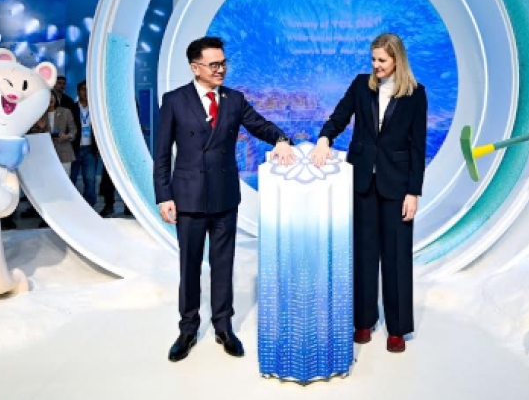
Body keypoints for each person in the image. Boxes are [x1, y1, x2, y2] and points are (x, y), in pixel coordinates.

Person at [154, 36, 295, 362]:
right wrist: (164, 196)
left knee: (223, 264)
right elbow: (161, 154)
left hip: (224, 196)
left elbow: (259, 125)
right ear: (195, 67)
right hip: (188, 197)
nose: (221, 70)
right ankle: (188, 329)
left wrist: (281, 139)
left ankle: (223, 326)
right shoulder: (174, 100)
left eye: (223, 63)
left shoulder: (234, 99)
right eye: (214, 64)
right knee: (189, 266)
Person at [309, 32, 428, 354]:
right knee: (363, 254)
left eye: (382, 60)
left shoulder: (416, 94)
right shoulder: (361, 85)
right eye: (373, 59)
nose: (376, 65)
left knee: (396, 256)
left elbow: (418, 147)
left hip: (397, 185)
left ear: (397, 60)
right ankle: (363, 320)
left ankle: (397, 328)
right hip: (362, 182)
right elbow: (339, 117)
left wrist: (413, 192)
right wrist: (324, 139)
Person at [69, 81, 102, 208]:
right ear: (78, 92)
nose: (86, 92)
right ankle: (71, 205)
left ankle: (89, 207)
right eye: (83, 89)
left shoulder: (96, 109)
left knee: (90, 179)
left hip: (90, 149)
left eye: (88, 90)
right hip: (74, 149)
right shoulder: (72, 108)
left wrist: (99, 148)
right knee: (71, 178)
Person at [28, 95, 76, 176]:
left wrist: (67, 136)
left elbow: (73, 130)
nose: (51, 98)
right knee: (49, 179)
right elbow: (33, 135)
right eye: (48, 96)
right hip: (46, 154)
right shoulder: (40, 114)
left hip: (64, 153)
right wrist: (40, 128)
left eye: (52, 96)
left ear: (56, 98)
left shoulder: (65, 112)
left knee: (64, 179)